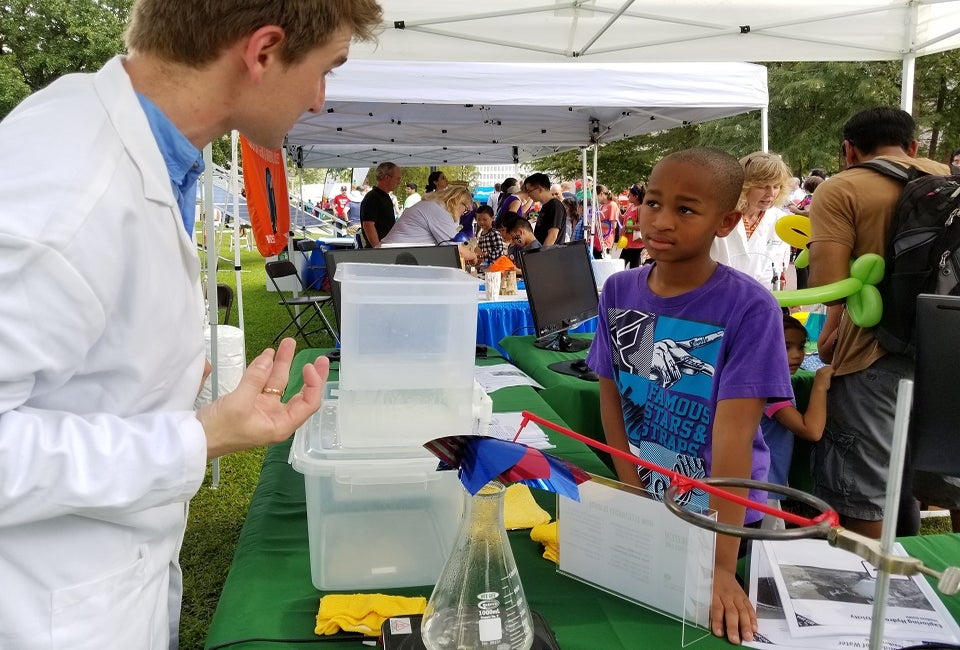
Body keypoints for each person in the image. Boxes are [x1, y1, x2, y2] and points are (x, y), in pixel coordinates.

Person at [0, 0, 381, 646]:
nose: (319, 99)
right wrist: (194, 437)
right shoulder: (64, 193)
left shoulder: (140, 150)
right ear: (262, 52)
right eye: (327, 70)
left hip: (108, 582)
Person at [585, 147, 793, 645]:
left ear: (724, 222)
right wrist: (633, 489)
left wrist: (719, 567)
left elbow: (734, 440)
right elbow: (612, 396)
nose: (660, 220)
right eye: (653, 202)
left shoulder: (749, 308)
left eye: (685, 209)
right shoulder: (619, 290)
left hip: (723, 519)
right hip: (649, 498)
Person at [807, 106, 951, 539]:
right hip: (948, 346)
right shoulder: (946, 178)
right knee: (951, 480)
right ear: (913, 145)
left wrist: (831, 329)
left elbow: (828, 282)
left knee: (863, 491)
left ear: (849, 150)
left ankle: (864, 599)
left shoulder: (841, 189)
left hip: (875, 352)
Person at [760, 315, 834, 528]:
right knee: (765, 546)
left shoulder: (776, 382)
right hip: (763, 486)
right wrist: (820, 385)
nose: (796, 356)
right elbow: (811, 430)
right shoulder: (770, 389)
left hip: (769, 483)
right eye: (786, 347)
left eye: (801, 347)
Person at [711, 151, 792, 287]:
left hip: (758, 299)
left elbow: (775, 269)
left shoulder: (780, 221)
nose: (771, 194)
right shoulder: (718, 215)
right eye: (762, 186)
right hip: (718, 295)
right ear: (743, 185)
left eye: (776, 186)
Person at [380, 185, 478, 264]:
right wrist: (473, 255)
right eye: (466, 210)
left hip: (392, 256)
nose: (463, 214)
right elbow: (454, 250)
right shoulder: (440, 211)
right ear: (458, 202)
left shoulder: (432, 205)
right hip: (393, 258)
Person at [360, 161, 402, 248]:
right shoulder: (372, 197)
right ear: (387, 177)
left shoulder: (384, 197)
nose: (399, 182)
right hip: (377, 252)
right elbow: (368, 225)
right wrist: (378, 248)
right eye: (397, 178)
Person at [523, 172, 565, 246]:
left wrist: (541, 255)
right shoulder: (546, 205)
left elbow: (552, 236)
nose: (528, 194)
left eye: (529, 191)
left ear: (540, 189)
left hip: (550, 254)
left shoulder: (555, 205)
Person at [620, 183, 646, 269]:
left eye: (630, 195)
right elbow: (622, 218)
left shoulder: (641, 208)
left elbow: (642, 226)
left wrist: (627, 227)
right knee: (619, 267)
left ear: (636, 196)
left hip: (636, 246)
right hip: (627, 244)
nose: (628, 196)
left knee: (634, 270)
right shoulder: (631, 206)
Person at [592, 184, 620, 258]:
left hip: (605, 242)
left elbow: (613, 225)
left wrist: (596, 223)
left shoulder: (612, 205)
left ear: (601, 193)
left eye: (596, 196)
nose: (595, 199)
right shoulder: (602, 206)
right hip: (597, 241)